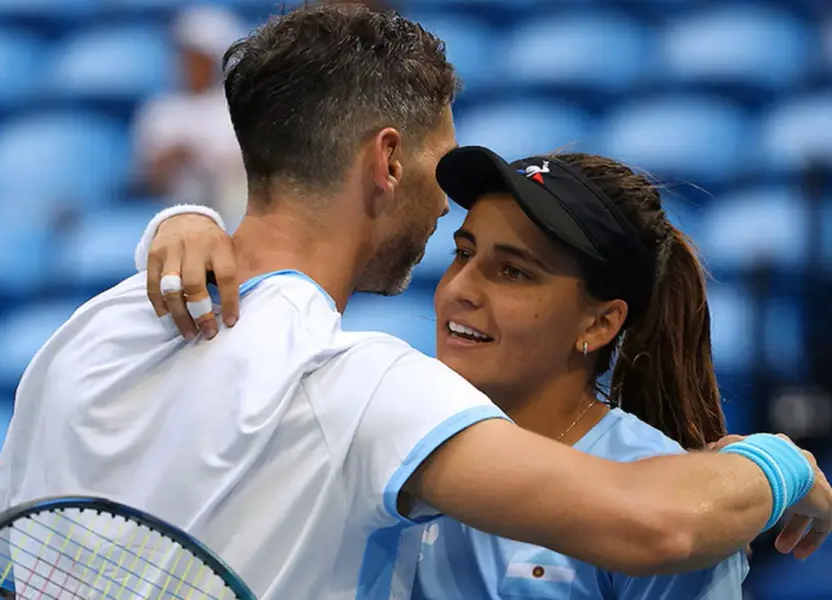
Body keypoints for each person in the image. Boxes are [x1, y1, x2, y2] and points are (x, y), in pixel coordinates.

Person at [0, 5, 829, 600]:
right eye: (435, 172)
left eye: (515, 268)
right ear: (386, 161)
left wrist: (189, 218)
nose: (441, 216)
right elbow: (654, 525)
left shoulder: (96, 327)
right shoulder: (365, 388)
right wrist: (784, 463)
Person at [141, 147, 750, 599]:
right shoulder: (381, 420)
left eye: (513, 272)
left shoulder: (675, 498)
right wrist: (183, 221)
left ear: (600, 323)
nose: (460, 289)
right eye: (463, 254)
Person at [132, 4, 249, 225]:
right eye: (185, 56)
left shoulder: (235, 108)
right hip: (173, 213)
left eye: (198, 57)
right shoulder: (160, 111)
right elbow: (146, 181)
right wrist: (169, 160)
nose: (189, 65)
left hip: (230, 213)